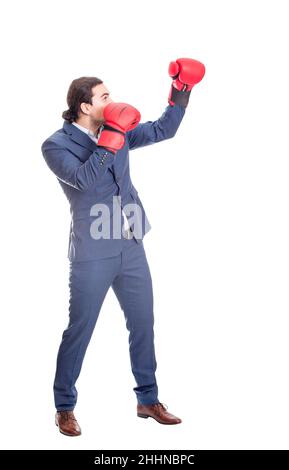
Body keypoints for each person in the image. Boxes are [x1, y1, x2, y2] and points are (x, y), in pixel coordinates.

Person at [41, 58, 205, 436]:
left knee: (143, 323)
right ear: (85, 106)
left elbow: (164, 130)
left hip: (130, 241)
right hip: (92, 250)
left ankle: (148, 399)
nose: (111, 101)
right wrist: (111, 134)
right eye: (104, 96)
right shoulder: (55, 145)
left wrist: (181, 91)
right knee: (80, 328)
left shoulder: (116, 128)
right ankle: (64, 406)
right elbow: (84, 179)